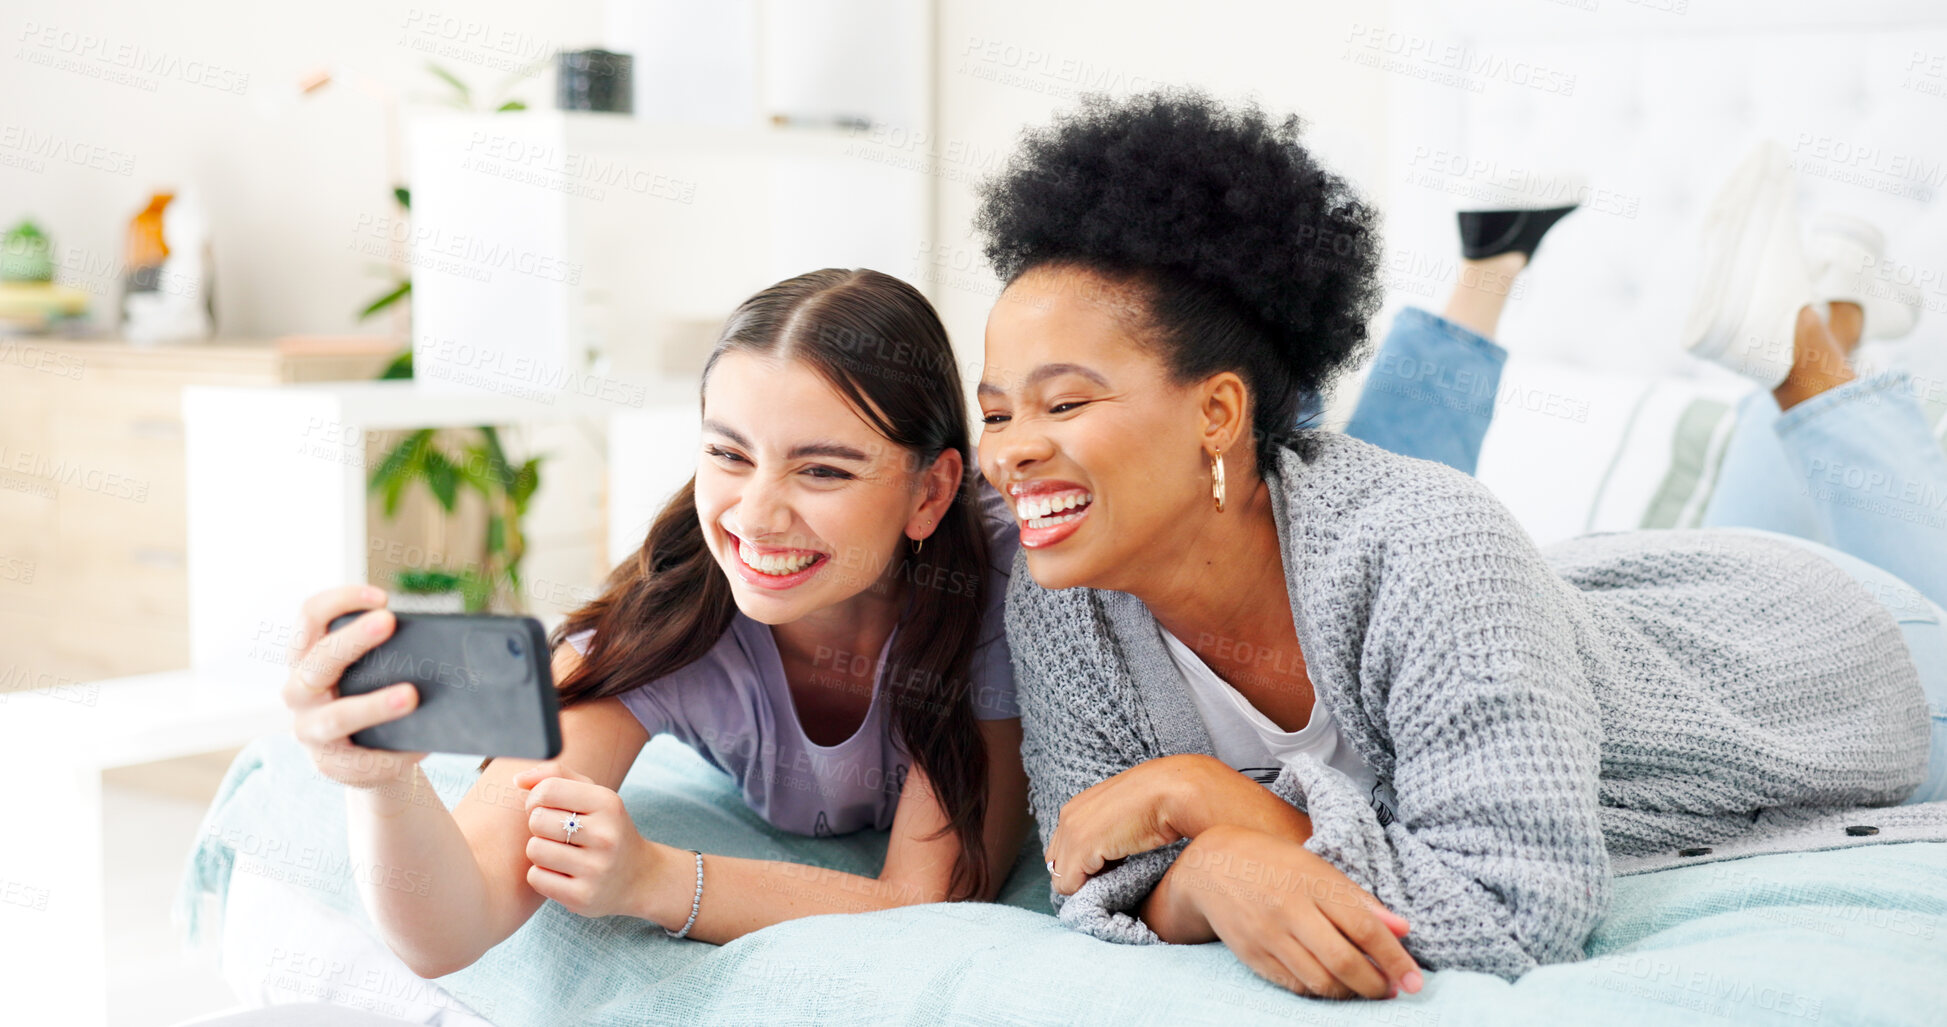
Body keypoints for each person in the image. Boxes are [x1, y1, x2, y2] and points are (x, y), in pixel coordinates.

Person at [970, 90, 1947, 1001]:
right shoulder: (1064, 595)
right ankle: (1824, 320)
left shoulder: (1428, 542)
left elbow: (1513, 909)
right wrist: (1215, 866)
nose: (1012, 451)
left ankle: (1811, 348)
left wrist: (1209, 803)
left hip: (1826, 669)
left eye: (1063, 402)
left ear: (1218, 411)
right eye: (998, 412)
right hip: (1601, 614)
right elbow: (1094, 868)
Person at [279, 269, 1030, 978]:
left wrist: (658, 878)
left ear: (931, 491)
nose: (756, 515)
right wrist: (380, 782)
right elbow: (451, 926)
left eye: (823, 470)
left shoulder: (1002, 580)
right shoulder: (664, 627)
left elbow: (926, 899)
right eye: (728, 454)